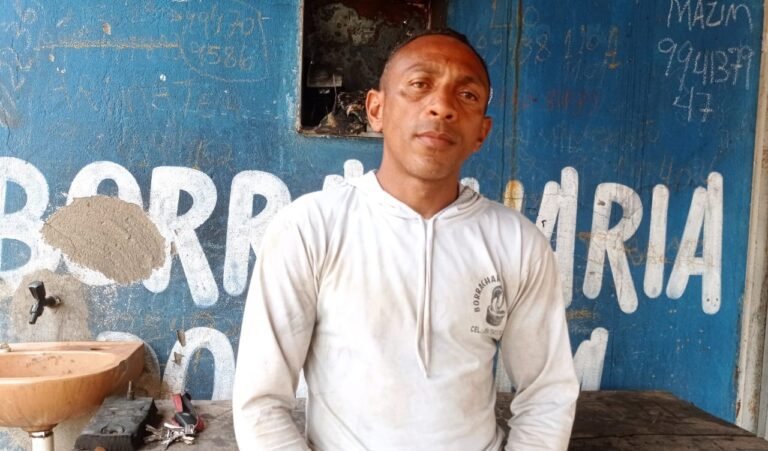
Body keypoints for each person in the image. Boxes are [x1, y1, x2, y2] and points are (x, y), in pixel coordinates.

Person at [233, 28, 579, 451]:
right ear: (376, 109)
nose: (442, 107)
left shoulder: (518, 243)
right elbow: (261, 404)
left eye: (466, 95)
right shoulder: (309, 228)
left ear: (482, 132)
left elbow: (547, 395)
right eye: (419, 84)